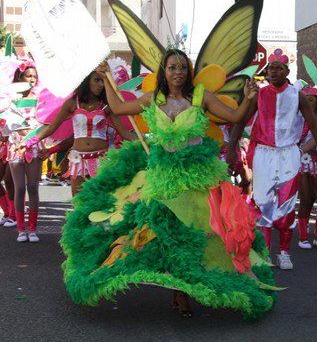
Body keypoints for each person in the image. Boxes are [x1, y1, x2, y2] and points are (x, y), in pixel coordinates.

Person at [59, 51, 277, 321]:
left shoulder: (200, 96)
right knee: (166, 234)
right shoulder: (154, 99)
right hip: (163, 178)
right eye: (173, 67)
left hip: (197, 178)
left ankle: (190, 286)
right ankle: (179, 291)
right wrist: (106, 77)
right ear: (164, 71)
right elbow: (117, 109)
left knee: (200, 235)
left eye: (183, 67)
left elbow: (235, 116)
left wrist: (249, 98)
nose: (178, 72)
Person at [227, 59, 317, 270]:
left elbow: (313, 123)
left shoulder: (299, 96)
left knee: (286, 204)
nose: (273, 72)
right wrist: (231, 148)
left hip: (289, 154)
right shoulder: (259, 94)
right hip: (264, 154)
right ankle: (265, 252)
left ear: (287, 71)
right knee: (263, 203)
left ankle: (284, 252)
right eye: (270, 68)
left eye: (278, 68)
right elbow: (240, 121)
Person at [24, 70, 135, 196]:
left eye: (103, 81)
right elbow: (51, 128)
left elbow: (124, 133)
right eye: (97, 80)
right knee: (78, 204)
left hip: (101, 160)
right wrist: (31, 141)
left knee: (99, 203)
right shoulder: (72, 103)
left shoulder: (106, 106)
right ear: (86, 81)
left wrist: (146, 142)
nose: (101, 85)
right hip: (78, 161)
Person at [8, 62, 43, 243]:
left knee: (33, 187)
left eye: (34, 77)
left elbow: (46, 120)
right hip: (16, 147)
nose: (32, 79)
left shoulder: (40, 99)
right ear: (20, 78)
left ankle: (33, 228)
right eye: (28, 76)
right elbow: (9, 124)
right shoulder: (9, 98)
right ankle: (21, 229)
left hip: (34, 147)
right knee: (20, 188)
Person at [297, 87, 317, 249]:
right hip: (303, 161)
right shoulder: (296, 117)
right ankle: (303, 236)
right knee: (305, 198)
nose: (308, 101)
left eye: (311, 99)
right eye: (306, 98)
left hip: (313, 158)